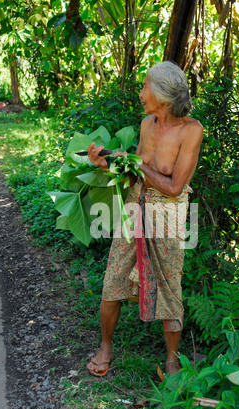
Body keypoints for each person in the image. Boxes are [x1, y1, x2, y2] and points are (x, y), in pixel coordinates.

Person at [87, 61, 203, 376]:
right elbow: (134, 177)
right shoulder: (146, 124)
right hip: (133, 207)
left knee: (169, 286)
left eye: (145, 87)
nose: (141, 94)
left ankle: (171, 359)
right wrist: (108, 164)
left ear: (164, 94)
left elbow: (174, 185)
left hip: (167, 215)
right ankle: (105, 347)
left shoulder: (191, 131)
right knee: (113, 279)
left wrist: (137, 165)